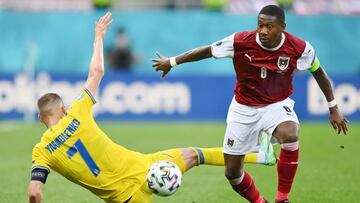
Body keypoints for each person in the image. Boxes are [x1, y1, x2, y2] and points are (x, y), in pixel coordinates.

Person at [27, 12, 276, 203]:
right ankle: (260, 155)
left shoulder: (42, 152)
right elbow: (97, 71)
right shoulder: (78, 112)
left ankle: (261, 154)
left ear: (40, 118)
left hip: (128, 195)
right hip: (143, 168)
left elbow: (35, 192)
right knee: (195, 154)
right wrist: (99, 35)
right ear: (63, 109)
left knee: (192, 154)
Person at [152, 5, 349, 203]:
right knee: (232, 173)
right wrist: (172, 61)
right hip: (243, 108)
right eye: (260, 25)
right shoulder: (240, 41)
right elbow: (208, 51)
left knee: (290, 134)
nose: (263, 31)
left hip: (276, 104)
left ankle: (283, 199)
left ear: (282, 27)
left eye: (269, 27)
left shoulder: (300, 48)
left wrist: (333, 108)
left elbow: (318, 72)